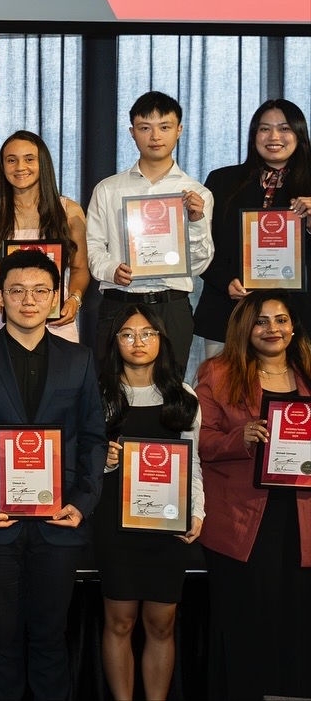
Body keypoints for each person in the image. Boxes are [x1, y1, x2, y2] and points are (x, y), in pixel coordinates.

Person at [0, 249, 107, 701]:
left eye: (41, 291)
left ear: (57, 297)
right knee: (1, 640)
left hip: (60, 522)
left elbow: (95, 437)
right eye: (17, 290)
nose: (29, 300)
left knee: (50, 639)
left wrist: (82, 501)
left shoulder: (79, 360)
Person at [195, 291, 311, 701]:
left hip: (302, 520)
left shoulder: (309, 373)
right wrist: (238, 439)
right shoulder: (217, 373)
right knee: (245, 622)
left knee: (296, 620)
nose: (272, 329)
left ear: (293, 326)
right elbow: (201, 444)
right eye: (262, 321)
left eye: (281, 320)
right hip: (241, 519)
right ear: (245, 327)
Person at [94, 305, 204, 701]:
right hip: (114, 523)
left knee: (162, 623)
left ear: (162, 339)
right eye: (127, 334)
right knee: (119, 621)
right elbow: (77, 462)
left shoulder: (183, 396)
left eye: (147, 333)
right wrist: (101, 461)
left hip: (166, 522)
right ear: (114, 342)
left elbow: (193, 463)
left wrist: (197, 510)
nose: (138, 342)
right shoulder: (100, 395)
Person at [86, 91, 212, 376]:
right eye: (145, 128)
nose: (155, 136)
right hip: (119, 302)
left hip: (171, 307)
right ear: (132, 132)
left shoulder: (197, 194)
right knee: (112, 393)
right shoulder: (108, 189)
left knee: (170, 397)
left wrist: (195, 220)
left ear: (179, 130)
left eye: (165, 127)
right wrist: (111, 269)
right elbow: (93, 247)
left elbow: (201, 264)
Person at [193, 99, 311, 358]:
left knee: (292, 396)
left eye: (284, 128)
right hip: (229, 311)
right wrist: (225, 282)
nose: (274, 137)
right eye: (264, 129)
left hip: (299, 318)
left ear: (300, 134)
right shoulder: (222, 180)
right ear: (254, 134)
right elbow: (200, 244)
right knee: (223, 393)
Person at [0, 130, 90, 341]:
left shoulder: (69, 211)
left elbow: (80, 268)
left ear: (43, 163)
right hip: (1, 318)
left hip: (55, 319)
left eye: (29, 159)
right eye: (11, 160)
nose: (20, 167)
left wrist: (74, 300)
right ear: (2, 167)